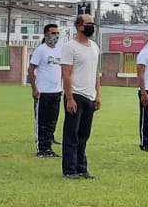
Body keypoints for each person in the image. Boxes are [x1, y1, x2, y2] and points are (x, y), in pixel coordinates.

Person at [60, 13, 101, 179]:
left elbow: (96, 73)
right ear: (79, 26)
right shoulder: (70, 47)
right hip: (76, 95)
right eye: (87, 23)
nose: (91, 26)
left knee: (84, 134)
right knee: (72, 134)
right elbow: (66, 74)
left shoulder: (94, 47)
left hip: (90, 96)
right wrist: (69, 98)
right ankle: (69, 169)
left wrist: (98, 94)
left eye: (92, 23)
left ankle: (82, 167)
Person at [27, 23, 62, 158]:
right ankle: (41, 148)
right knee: (42, 121)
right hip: (43, 92)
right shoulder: (41, 50)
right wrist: (34, 88)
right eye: (53, 33)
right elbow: (31, 69)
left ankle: (49, 147)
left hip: (56, 91)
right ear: (46, 35)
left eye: (57, 33)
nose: (56, 36)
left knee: (52, 121)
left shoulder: (60, 50)